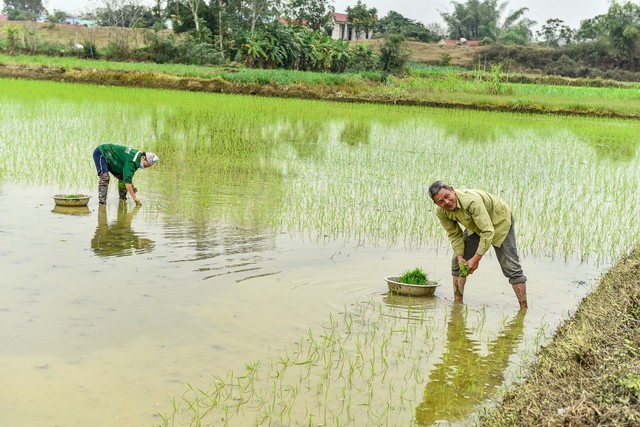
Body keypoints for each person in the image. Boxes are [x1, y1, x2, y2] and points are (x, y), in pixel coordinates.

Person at [428, 181, 527, 309]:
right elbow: (454, 235)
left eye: (447, 196)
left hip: (499, 221)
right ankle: (457, 305)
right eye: (441, 201)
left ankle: (523, 309)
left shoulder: (471, 201)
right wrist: (460, 256)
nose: (446, 202)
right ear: (436, 204)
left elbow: (487, 231)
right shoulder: (442, 212)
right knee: (457, 264)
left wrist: (476, 258)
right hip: (475, 226)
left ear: (452, 190)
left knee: (511, 267)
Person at [92, 144, 158, 205]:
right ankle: (102, 203)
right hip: (102, 153)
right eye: (145, 165)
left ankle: (122, 200)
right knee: (104, 177)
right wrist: (135, 198)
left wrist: (131, 185)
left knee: (122, 177)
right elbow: (127, 183)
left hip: (112, 158)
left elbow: (127, 177)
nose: (144, 167)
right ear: (143, 158)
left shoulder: (138, 158)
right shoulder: (133, 161)